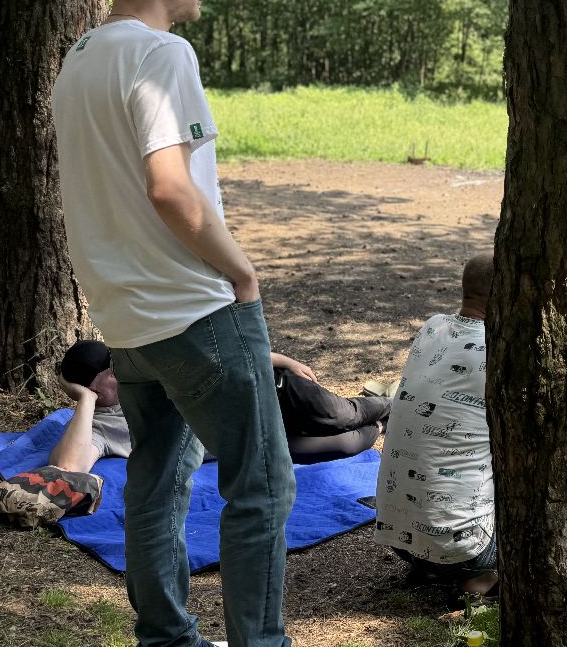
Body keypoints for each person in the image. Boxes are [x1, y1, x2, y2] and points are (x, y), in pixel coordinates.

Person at [52, 0, 292, 647]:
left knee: (156, 477)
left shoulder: (80, 58)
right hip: (194, 309)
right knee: (262, 485)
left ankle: (166, 644)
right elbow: (170, 190)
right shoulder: (163, 54)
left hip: (126, 319)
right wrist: (242, 271)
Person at [49, 339, 391, 474]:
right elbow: (67, 465)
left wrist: (284, 361)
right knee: (345, 444)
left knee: (340, 416)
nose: (122, 372)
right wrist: (86, 401)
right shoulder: (98, 427)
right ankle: (388, 422)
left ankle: (395, 403)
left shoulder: (143, 368)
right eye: (111, 374)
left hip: (267, 393)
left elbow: (219, 357)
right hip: (250, 440)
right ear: (94, 388)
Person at [373, 254, 496, 595]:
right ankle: (482, 577)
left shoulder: (433, 326)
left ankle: (433, 565)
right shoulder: (497, 352)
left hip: (399, 540)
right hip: (464, 551)